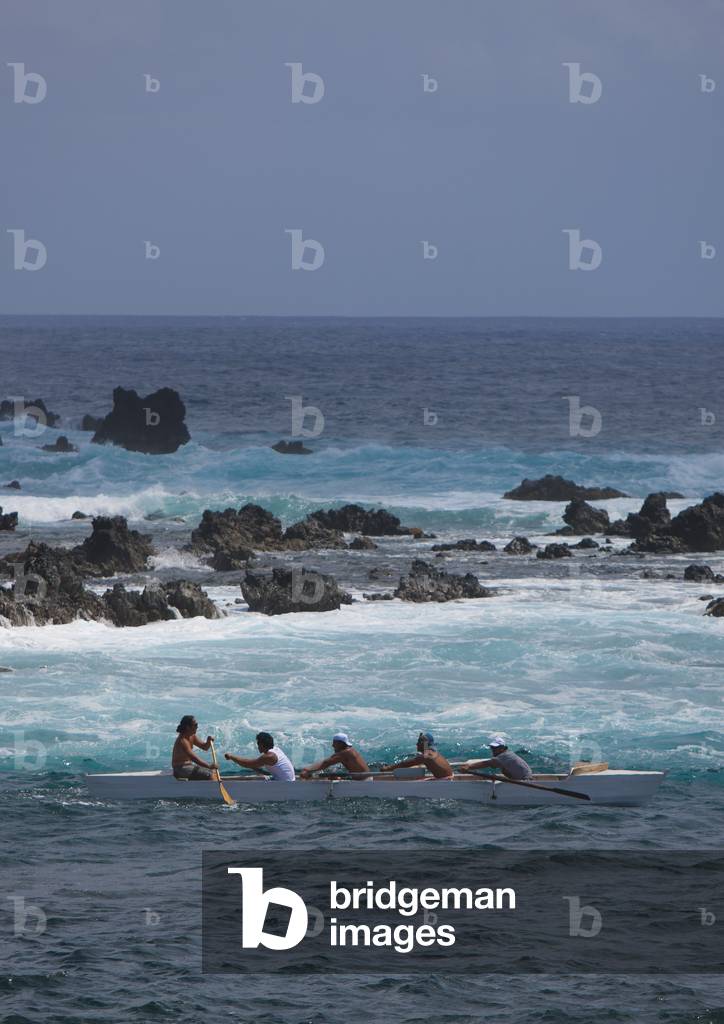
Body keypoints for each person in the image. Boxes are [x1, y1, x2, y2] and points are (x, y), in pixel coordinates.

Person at [224, 732, 296, 781]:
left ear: (261, 745)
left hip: (285, 785)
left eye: (258, 744)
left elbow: (247, 764)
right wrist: (253, 767)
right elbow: (254, 765)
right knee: (259, 777)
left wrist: (231, 757)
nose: (257, 746)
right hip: (286, 781)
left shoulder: (269, 756)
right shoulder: (276, 750)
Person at [380, 732, 453, 779]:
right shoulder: (434, 753)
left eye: (419, 742)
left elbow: (405, 764)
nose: (416, 744)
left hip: (444, 781)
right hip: (449, 778)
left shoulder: (426, 755)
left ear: (423, 743)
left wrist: (387, 768)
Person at [457, 735, 533, 780]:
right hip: (525, 778)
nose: (493, 750)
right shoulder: (508, 754)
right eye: (492, 747)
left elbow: (487, 763)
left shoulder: (505, 756)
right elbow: (492, 764)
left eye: (496, 748)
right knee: (503, 770)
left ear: (503, 748)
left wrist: (468, 767)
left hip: (525, 781)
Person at [299, 733, 371, 779]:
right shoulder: (348, 751)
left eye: (334, 743)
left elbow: (326, 763)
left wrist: (307, 770)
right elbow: (330, 760)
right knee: (333, 777)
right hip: (362, 778)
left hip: (363, 781)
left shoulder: (346, 753)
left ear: (341, 744)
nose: (332, 745)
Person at [172, 715, 215, 780]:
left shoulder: (192, 736)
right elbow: (193, 758)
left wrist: (208, 741)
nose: (197, 727)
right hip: (180, 769)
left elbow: (204, 747)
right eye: (195, 725)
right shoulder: (182, 741)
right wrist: (209, 766)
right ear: (188, 727)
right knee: (209, 774)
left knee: (213, 772)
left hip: (189, 766)